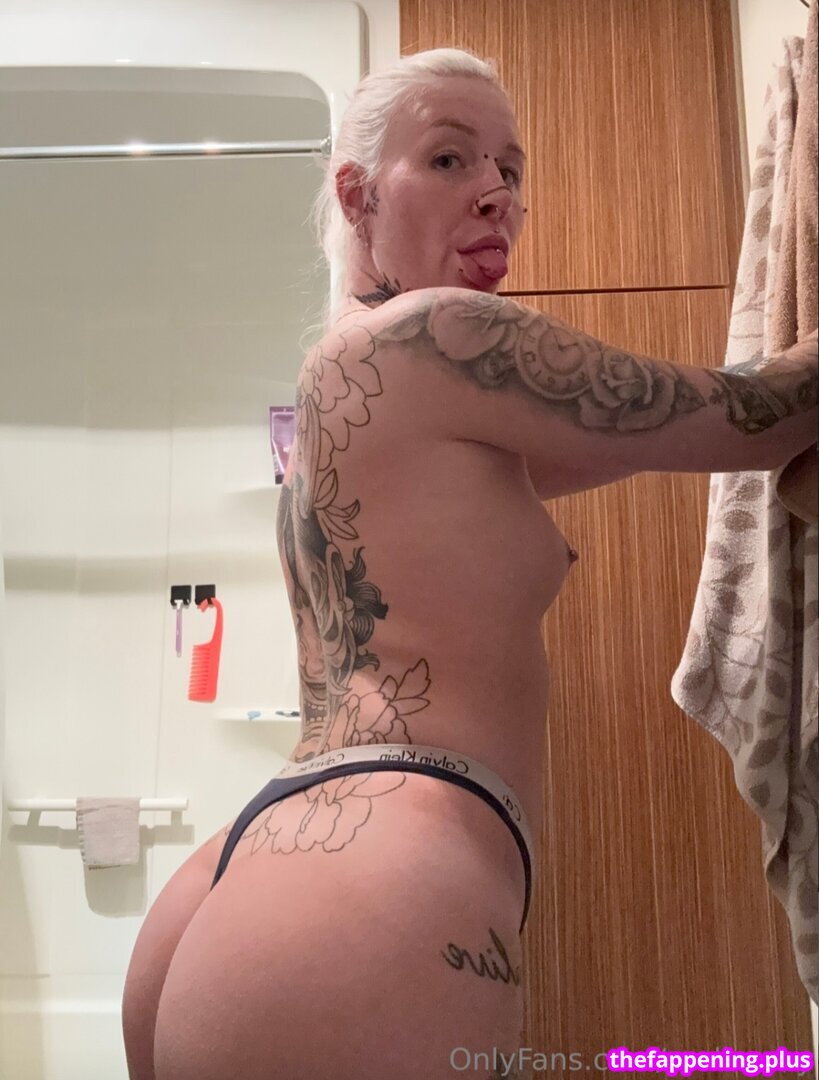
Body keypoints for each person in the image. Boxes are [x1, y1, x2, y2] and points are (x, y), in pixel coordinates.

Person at [122, 47, 818, 1080]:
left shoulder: (342, 391)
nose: (498, 193)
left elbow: (665, 434)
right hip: (377, 881)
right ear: (357, 195)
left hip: (248, 873)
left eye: (511, 168)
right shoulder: (438, 332)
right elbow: (761, 415)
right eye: (449, 159)